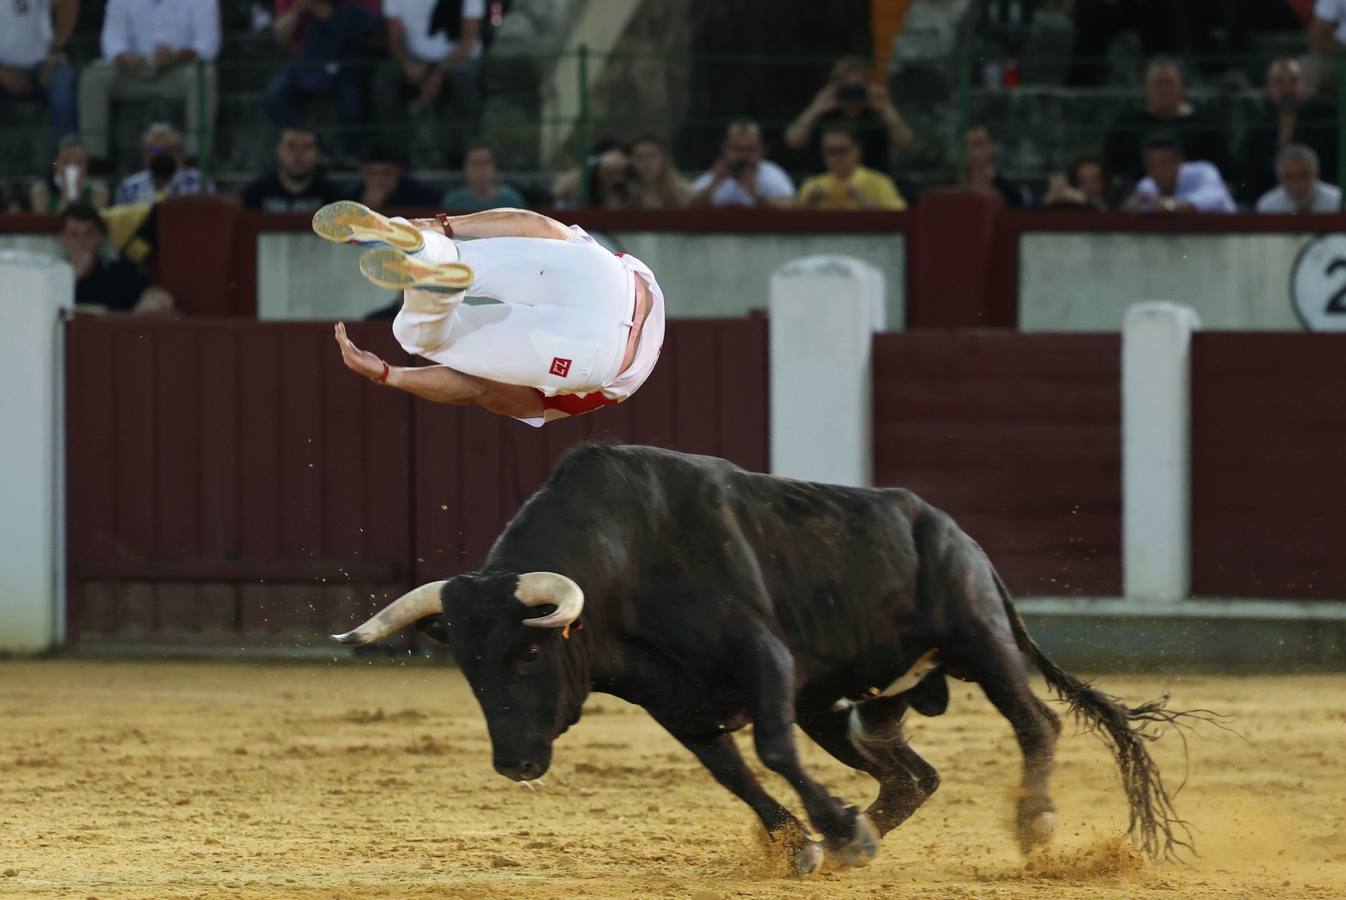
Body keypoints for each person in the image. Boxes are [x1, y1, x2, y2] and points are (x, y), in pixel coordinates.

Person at [311, 200, 665, 426]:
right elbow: (480, 389)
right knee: (417, 336)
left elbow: (536, 225)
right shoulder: (593, 398)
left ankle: (425, 247)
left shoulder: (619, 262)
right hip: (601, 354)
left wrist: (440, 225)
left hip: (610, 275)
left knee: (456, 256)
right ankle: (435, 288)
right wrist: (389, 374)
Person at [78, 0, 220, 162]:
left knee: (204, 74)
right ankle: (94, 159)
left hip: (177, 71)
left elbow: (208, 45)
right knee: (94, 74)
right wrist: (125, 58)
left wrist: (177, 56)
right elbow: (111, 40)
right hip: (133, 71)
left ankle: (196, 158)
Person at [265, 0, 381, 157]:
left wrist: (325, 11)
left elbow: (370, 28)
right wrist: (298, 8)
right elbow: (281, 37)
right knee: (275, 94)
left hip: (348, 59)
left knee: (352, 94)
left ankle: (352, 154)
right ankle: (315, 148)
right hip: (305, 61)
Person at [376, 0, 484, 164]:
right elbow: (394, 36)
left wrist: (438, 74)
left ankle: (459, 155)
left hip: (457, 59)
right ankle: (395, 155)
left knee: (463, 79)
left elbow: (468, 40)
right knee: (384, 78)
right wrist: (408, 64)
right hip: (413, 58)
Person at [1103, 58, 1228, 186]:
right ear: (1145, 88)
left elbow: (1223, 173)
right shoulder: (1127, 126)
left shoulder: (1204, 126)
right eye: (1157, 83)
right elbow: (1110, 171)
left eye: (1169, 83)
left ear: (1181, 86)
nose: (1163, 89)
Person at [1235, 58, 1338, 206]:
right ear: (1269, 88)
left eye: (1293, 80)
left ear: (1304, 84)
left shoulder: (1326, 118)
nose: (1287, 88)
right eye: (1279, 82)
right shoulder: (1258, 126)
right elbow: (1248, 175)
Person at [784, 55, 913, 173]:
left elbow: (905, 141)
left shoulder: (877, 115)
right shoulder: (824, 115)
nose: (852, 93)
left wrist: (886, 108)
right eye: (847, 87)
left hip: (872, 185)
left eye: (857, 87)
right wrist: (815, 108)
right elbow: (793, 140)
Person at [59, 202, 174, 314]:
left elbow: (155, 295)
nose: (81, 242)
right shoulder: (50, 274)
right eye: (73, 235)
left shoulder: (119, 272)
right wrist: (74, 277)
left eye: (89, 234)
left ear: (99, 237)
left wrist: (151, 300)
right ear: (63, 238)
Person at [0, 0, 78, 144]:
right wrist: (2, 72)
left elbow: (68, 2)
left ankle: (64, 154)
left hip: (41, 67)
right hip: (2, 72)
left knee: (62, 78)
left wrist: (56, 49)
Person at [796, 125, 906, 210]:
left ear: (858, 150)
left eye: (842, 150)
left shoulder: (879, 182)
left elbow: (900, 217)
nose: (836, 157)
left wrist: (866, 202)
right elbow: (793, 225)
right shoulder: (812, 184)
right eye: (830, 151)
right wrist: (810, 204)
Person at [1122, 131, 1235, 214]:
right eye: (1152, 164)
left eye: (1165, 163)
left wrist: (1169, 205)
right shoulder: (1146, 185)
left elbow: (1214, 199)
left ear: (1179, 162)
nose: (1159, 170)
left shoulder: (1204, 171)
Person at [688, 121, 794, 208]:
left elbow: (791, 207)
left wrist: (756, 195)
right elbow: (689, 206)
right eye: (736, 149)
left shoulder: (771, 174)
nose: (743, 156)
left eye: (750, 149)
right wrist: (713, 185)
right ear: (725, 149)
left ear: (762, 150)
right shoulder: (716, 174)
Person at [241, 126, 345, 211]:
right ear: (278, 152)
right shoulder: (255, 193)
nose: (298, 154)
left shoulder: (332, 197)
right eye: (291, 146)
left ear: (317, 154)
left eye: (307, 147)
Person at [113, 122, 214, 205]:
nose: (162, 155)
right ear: (144, 155)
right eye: (154, 150)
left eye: (169, 150)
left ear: (181, 154)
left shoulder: (200, 183)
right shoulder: (128, 188)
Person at [30, 135, 110, 214]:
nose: (73, 167)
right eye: (66, 161)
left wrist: (78, 191)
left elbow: (92, 223)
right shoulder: (41, 191)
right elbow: (46, 224)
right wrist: (67, 193)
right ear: (56, 164)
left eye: (80, 162)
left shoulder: (98, 191)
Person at [345, 143, 439, 209]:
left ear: (399, 171)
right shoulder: (351, 197)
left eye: (386, 173)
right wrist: (366, 207)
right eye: (371, 173)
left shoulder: (422, 196)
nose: (378, 179)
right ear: (361, 172)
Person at [440, 140, 524, 211]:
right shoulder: (453, 202)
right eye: (475, 163)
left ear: (494, 167)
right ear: (465, 168)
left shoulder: (512, 202)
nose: (480, 170)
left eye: (485, 163)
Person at [1255, 144, 1342, 214]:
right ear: (1278, 176)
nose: (1297, 182)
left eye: (1303, 174)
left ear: (1316, 173)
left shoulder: (1337, 201)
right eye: (1288, 176)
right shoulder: (1267, 205)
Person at [960, 125, 1030, 208]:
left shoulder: (1010, 194)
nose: (971, 152)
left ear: (993, 146)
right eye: (966, 146)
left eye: (978, 144)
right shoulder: (951, 190)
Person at [629, 134, 690, 209]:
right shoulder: (628, 194)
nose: (646, 163)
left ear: (663, 159)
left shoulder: (683, 192)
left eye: (652, 156)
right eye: (640, 157)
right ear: (632, 161)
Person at [1042, 151, 1113, 211]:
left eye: (1095, 180)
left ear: (1105, 182)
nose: (1090, 186)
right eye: (1083, 181)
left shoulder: (1117, 205)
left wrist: (1086, 200)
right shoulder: (1069, 206)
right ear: (1074, 183)